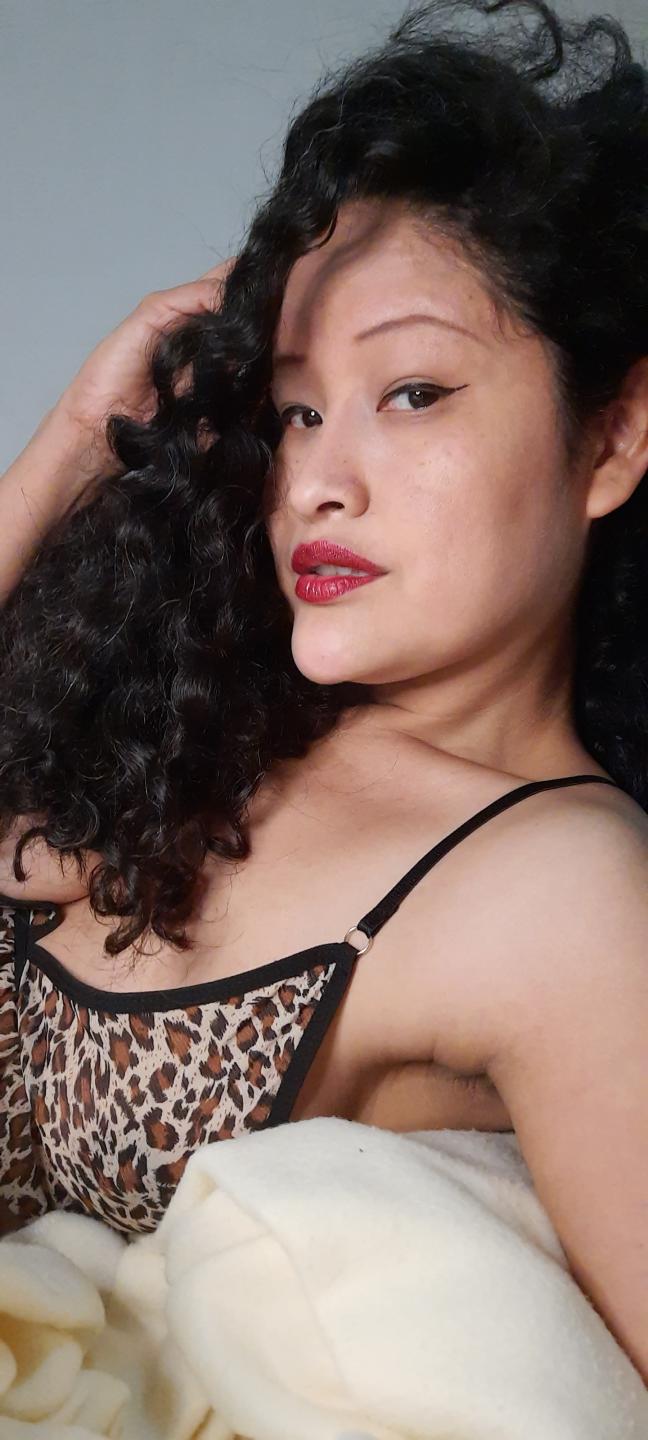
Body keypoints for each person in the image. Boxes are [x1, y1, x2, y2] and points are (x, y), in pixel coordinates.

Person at [0, 0, 647, 1384]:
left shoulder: (565, 890)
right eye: (296, 408)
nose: (317, 483)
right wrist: (71, 447)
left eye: (413, 393)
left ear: (612, 437)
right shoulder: (199, 721)